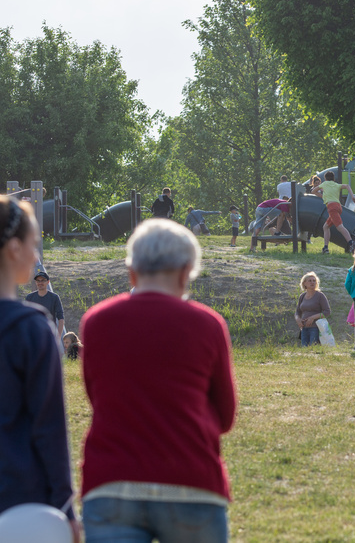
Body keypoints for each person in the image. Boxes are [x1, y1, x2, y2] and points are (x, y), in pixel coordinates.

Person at [79, 219, 236, 543]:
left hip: (111, 481)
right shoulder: (207, 324)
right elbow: (224, 415)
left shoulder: (96, 322)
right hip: (191, 482)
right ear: (185, 272)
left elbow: (97, 397)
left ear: (132, 273)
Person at [0, 196, 80, 541]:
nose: (36, 258)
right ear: (14, 248)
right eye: (34, 245)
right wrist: (66, 510)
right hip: (22, 503)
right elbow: (49, 428)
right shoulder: (30, 328)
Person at [312, 171, 355, 254]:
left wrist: (323, 196)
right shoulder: (336, 185)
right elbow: (347, 186)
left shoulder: (324, 184)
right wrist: (353, 196)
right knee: (326, 226)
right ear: (333, 179)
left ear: (325, 179)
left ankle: (351, 243)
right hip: (338, 207)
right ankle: (325, 247)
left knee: (340, 227)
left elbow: (313, 191)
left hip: (331, 207)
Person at [295, 272, 331, 347]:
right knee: (304, 350)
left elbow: (327, 312)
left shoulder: (320, 295)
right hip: (304, 328)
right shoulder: (302, 296)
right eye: (310, 280)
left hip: (316, 327)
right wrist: (298, 319)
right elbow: (297, 311)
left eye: (314, 280)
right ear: (304, 283)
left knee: (313, 349)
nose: (312, 282)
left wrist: (313, 317)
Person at [25, 270, 65, 338]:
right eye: (38, 280)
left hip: (49, 335)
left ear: (48, 282)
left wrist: (58, 338)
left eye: (43, 280)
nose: (40, 283)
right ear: (35, 282)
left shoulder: (54, 297)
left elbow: (61, 318)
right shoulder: (30, 297)